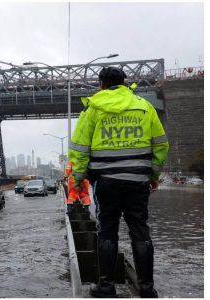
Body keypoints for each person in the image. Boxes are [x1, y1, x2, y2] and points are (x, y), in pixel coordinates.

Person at [68, 66, 169, 298]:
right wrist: (152, 176)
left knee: (107, 230)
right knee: (140, 231)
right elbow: (161, 145)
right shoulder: (145, 107)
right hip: (137, 181)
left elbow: (80, 149)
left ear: (100, 84)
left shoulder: (93, 109)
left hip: (106, 183)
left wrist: (79, 178)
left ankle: (106, 285)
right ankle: (146, 288)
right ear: (125, 83)